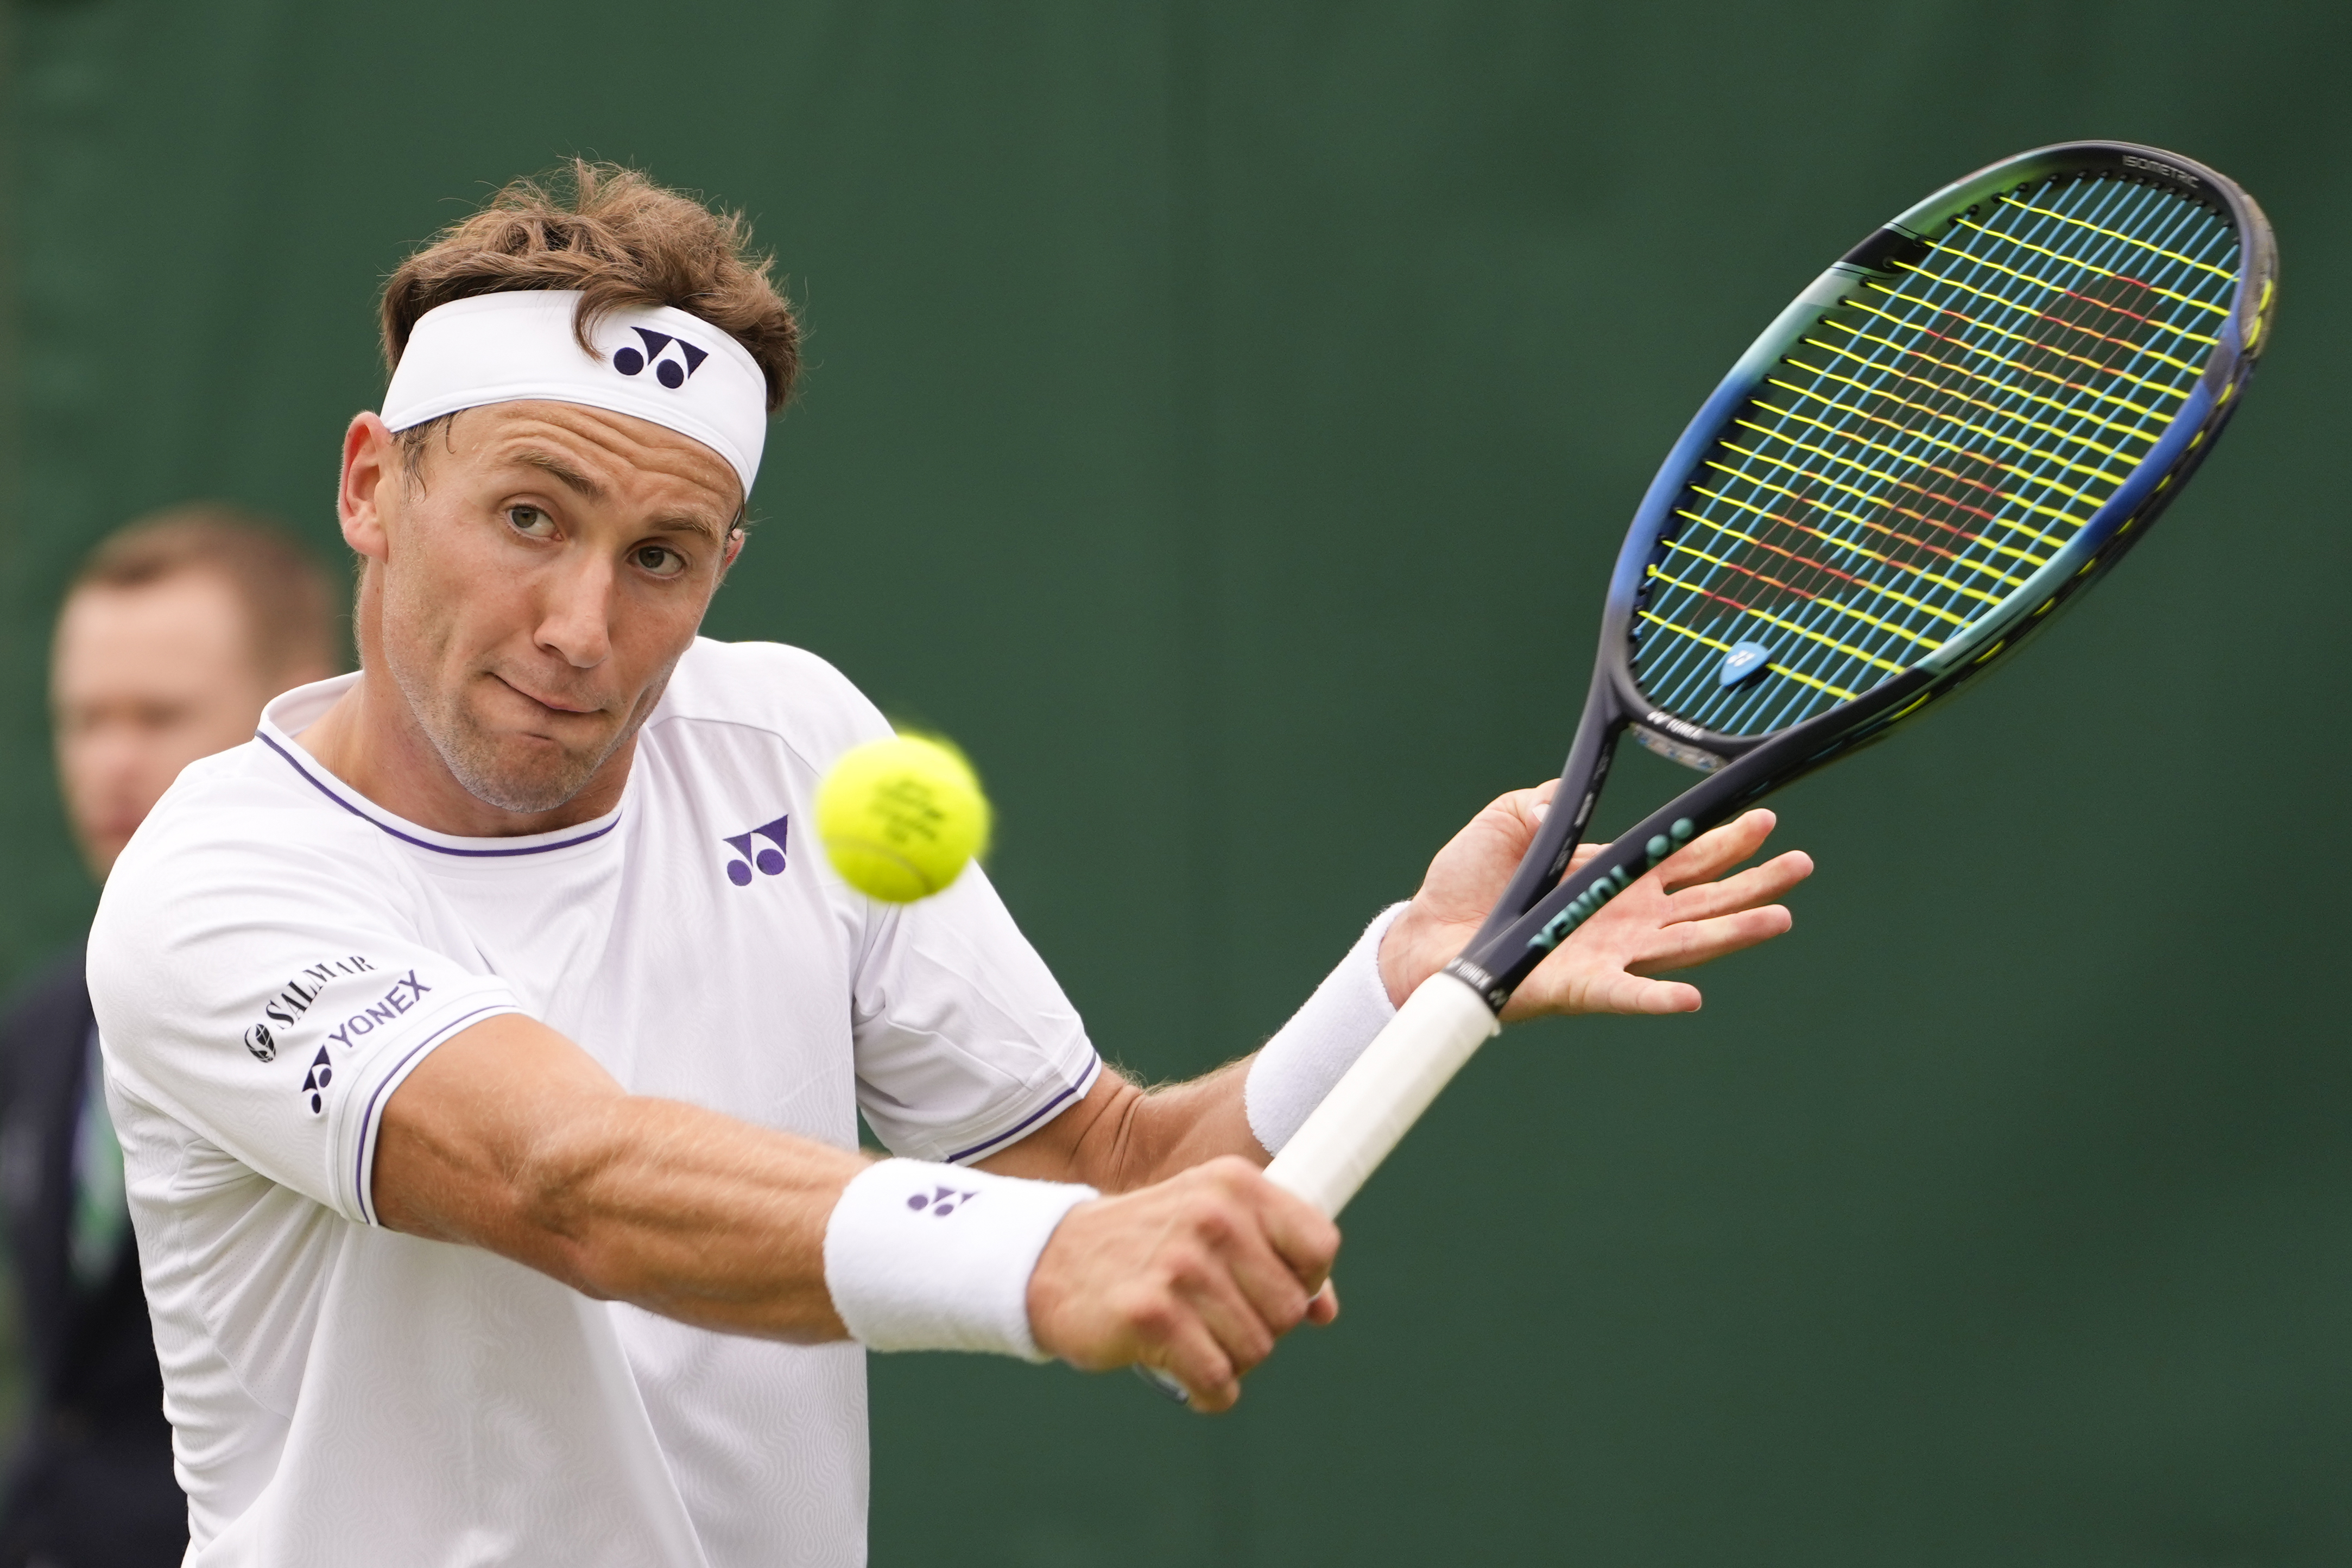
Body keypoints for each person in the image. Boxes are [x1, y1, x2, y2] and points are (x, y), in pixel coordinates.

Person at [86, 163, 1813, 1567]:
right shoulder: (214, 889)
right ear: (374, 485)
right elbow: (567, 1179)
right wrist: (1038, 1269)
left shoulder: (786, 742)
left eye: (663, 557)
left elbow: (1115, 1166)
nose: (581, 627)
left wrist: (1405, 977)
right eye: (527, 516)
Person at [0, 509, 338, 1567]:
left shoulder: (381, 1006)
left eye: (158, 714)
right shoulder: (49, 1023)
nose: (112, 760)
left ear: (293, 708)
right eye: (85, 718)